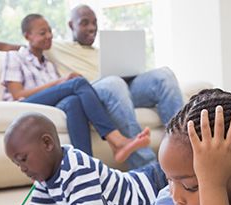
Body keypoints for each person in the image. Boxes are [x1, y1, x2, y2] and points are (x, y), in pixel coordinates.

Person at [0, 111, 169, 205]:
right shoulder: (44, 173)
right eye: (17, 164)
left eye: (24, 159)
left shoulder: (78, 166)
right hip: (146, 181)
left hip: (153, 185)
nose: (23, 168)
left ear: (47, 144)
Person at [43, 4, 185, 169]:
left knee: (164, 75)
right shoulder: (56, 47)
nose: (91, 28)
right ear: (71, 25)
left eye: (94, 22)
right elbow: (16, 45)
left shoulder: (101, 51)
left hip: (120, 89)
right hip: (91, 94)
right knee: (113, 82)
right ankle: (149, 169)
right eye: (84, 23)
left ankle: (183, 153)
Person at [1, 13, 150, 164]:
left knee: (74, 101)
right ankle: (117, 141)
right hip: (25, 105)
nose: (49, 36)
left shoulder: (51, 65)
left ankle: (86, 167)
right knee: (78, 83)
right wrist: (59, 81)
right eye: (42, 33)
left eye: (50, 31)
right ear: (27, 37)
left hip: (47, 106)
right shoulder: (14, 57)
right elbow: (17, 95)